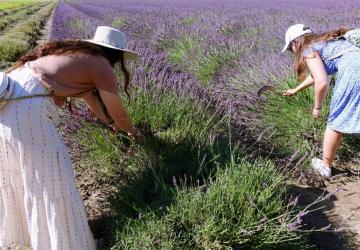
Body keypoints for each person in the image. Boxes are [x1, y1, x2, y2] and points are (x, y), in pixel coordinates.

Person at [0, 26, 138, 249]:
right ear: (116, 54)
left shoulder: (75, 55)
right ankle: (65, 244)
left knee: (28, 176)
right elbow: (118, 111)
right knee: (53, 178)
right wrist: (132, 132)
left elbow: (91, 100)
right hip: (28, 110)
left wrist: (111, 125)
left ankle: (39, 238)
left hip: (7, 105)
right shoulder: (100, 64)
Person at [281, 24, 360, 178]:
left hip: (355, 71)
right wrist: (296, 90)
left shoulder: (307, 49)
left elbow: (322, 81)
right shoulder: (325, 40)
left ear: (295, 43)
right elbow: (318, 73)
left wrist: (317, 108)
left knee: (336, 121)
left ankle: (325, 166)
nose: (292, 52)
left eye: (291, 49)